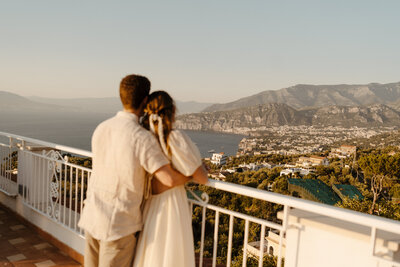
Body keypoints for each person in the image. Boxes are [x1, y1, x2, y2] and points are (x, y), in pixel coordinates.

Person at [78, 75, 192, 267]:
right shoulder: (141, 137)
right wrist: (192, 174)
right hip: (118, 224)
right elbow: (168, 179)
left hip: (92, 216)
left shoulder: (102, 128)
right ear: (145, 101)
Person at [133, 91, 208, 267]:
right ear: (172, 110)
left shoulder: (144, 138)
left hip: (150, 205)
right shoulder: (174, 138)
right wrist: (193, 174)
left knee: (153, 253)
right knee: (171, 254)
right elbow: (202, 178)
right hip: (172, 204)